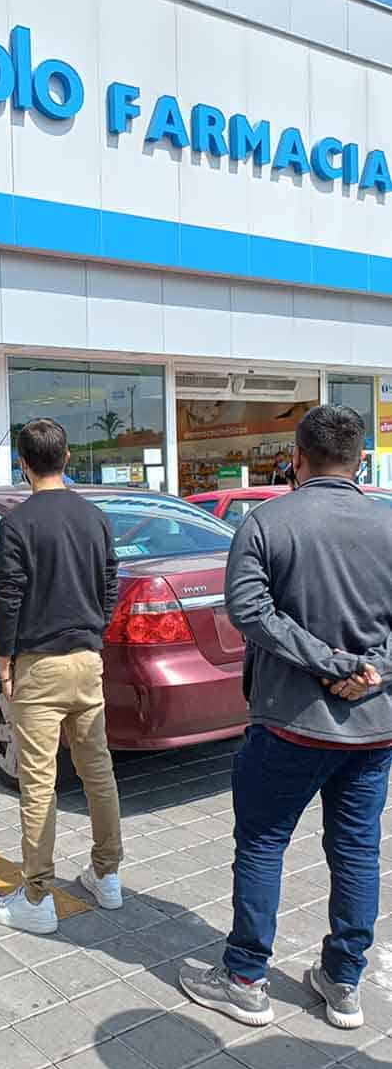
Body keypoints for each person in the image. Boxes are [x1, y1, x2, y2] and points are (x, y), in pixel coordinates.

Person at [179, 405, 392, 1031]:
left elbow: (247, 611)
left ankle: (246, 978)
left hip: (290, 721)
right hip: (373, 726)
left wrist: (330, 663)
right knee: (356, 851)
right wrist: (370, 671)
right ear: (359, 460)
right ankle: (343, 981)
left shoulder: (266, 523)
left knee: (264, 842)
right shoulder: (389, 525)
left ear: (295, 458)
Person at [0, 418, 123, 934]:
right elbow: (111, 582)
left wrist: (5, 659)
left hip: (37, 665)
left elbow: (11, 597)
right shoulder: (95, 516)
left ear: (23, 466)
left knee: (39, 782)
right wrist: (96, 630)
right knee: (98, 771)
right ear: (67, 458)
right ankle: (107, 876)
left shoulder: (17, 525)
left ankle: (37, 895)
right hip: (87, 660)